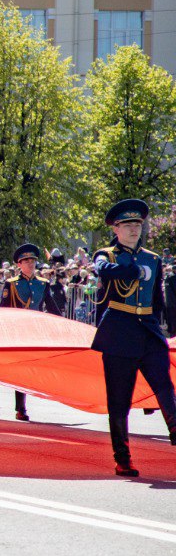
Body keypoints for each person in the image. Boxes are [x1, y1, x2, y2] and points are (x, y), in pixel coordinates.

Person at [91, 199, 176, 476]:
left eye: (137, 224)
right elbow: (103, 271)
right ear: (116, 228)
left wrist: (167, 330)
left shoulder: (153, 257)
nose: (133, 229)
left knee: (164, 383)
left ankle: (174, 427)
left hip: (148, 330)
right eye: (127, 224)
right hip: (119, 330)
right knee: (119, 400)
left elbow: (157, 300)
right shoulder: (106, 255)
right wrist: (135, 271)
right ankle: (122, 457)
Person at [0, 243, 63, 421]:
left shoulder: (42, 284)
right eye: (26, 261)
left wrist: (63, 323)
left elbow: (50, 305)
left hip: (35, 329)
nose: (30, 264)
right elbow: (2, 309)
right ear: (19, 264)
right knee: (21, 369)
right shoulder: (11, 284)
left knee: (33, 367)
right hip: (18, 330)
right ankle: (21, 407)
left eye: (33, 261)